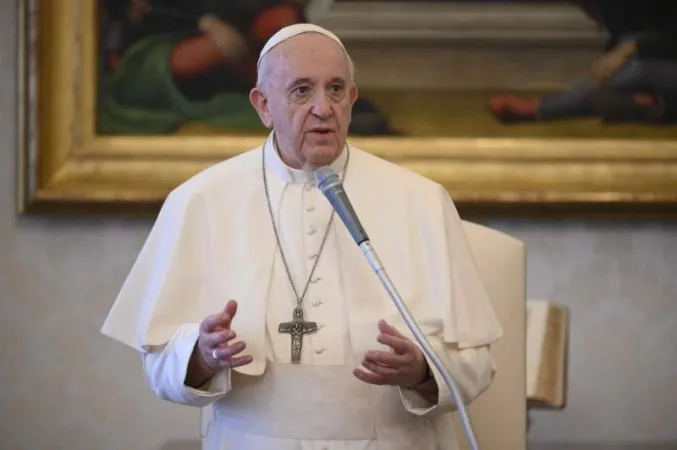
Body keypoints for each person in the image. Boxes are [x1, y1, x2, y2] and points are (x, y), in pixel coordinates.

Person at [101, 23, 503, 450]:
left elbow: (476, 364)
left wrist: (422, 369)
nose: (322, 108)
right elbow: (158, 365)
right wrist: (201, 355)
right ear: (262, 105)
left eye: (335, 90)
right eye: (300, 91)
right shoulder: (200, 200)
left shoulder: (420, 200)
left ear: (352, 99)